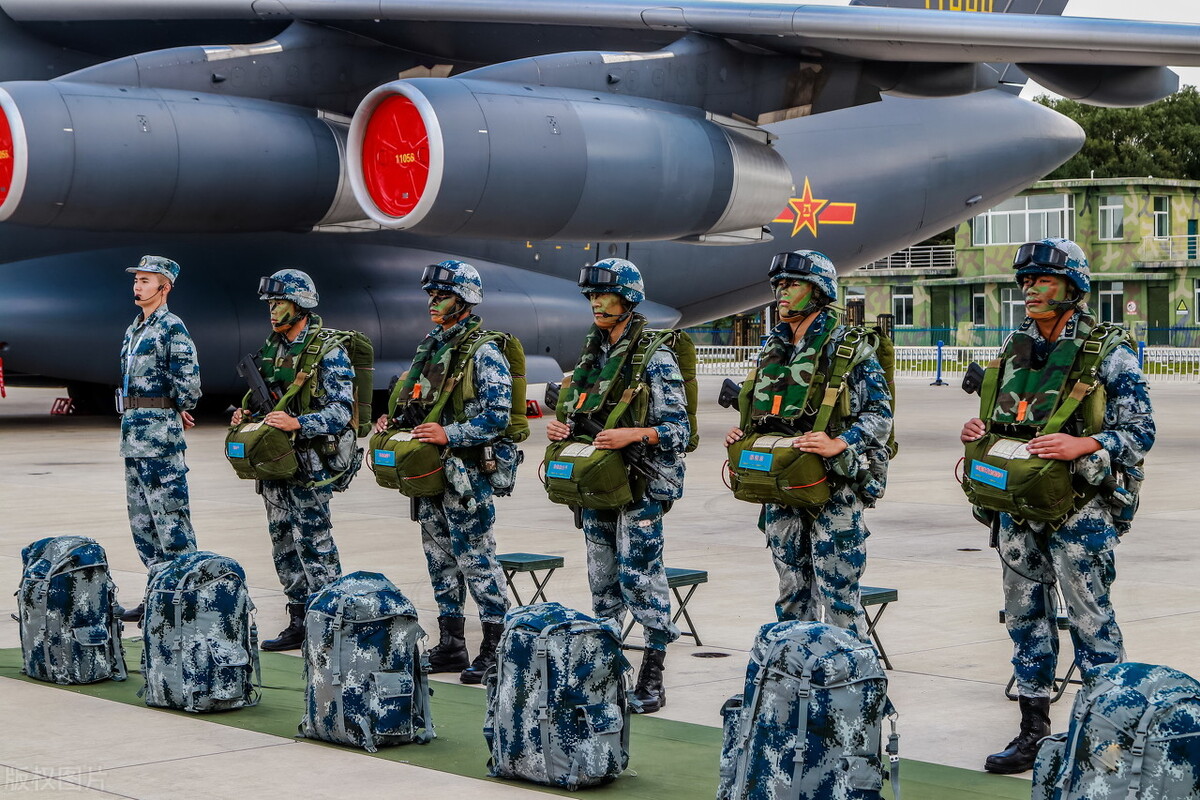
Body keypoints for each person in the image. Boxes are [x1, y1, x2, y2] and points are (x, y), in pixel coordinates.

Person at [960, 238, 1155, 774]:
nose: (1030, 290)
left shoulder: (1106, 350)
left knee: (1091, 620)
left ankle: (1106, 737)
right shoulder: (1014, 346)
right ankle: (1033, 731)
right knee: (1025, 618)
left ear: (1072, 287)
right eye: (1025, 281)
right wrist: (980, 430)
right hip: (1019, 505)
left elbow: (1140, 430)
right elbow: (1006, 417)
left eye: (1042, 280)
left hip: (1080, 509)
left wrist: (1085, 444)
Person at [546, 258, 689, 714]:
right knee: (602, 579)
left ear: (627, 300)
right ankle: (605, 667)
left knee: (641, 577)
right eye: (591, 296)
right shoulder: (591, 357)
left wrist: (634, 434)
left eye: (604, 295)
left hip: (641, 483)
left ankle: (653, 672)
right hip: (599, 483)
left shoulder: (655, 356)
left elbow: (678, 430)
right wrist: (562, 429)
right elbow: (577, 414)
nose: (596, 303)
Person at [724, 250, 892, 634]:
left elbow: (880, 416)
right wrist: (743, 435)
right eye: (778, 284)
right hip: (781, 485)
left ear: (818, 290)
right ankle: (796, 678)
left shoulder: (849, 346)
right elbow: (765, 411)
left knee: (838, 597)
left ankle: (851, 683)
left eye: (792, 283)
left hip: (832, 486)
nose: (781, 292)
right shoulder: (772, 347)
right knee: (791, 593)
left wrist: (842, 441)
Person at [374, 260, 516, 684]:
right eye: (431, 296)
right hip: (433, 475)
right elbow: (418, 403)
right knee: (439, 560)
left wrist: (449, 432)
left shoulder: (484, 352)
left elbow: (498, 417)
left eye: (442, 296)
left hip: (466, 477)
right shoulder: (432, 347)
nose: (433, 303)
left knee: (476, 559)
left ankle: (495, 643)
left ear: (465, 300)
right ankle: (452, 642)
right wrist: (394, 423)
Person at [231, 269, 352, 651]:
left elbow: (341, 412)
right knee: (283, 543)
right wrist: (245, 416)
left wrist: (299, 422)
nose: (272, 310)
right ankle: (298, 619)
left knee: (316, 544)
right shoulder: (273, 349)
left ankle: (332, 625)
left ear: (300, 305)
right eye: (269, 304)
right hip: (276, 465)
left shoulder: (327, 351)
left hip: (311, 467)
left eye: (278, 302)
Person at [118, 255, 201, 623]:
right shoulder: (135, 328)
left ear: (164, 287)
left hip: (160, 442)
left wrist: (173, 408)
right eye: (137, 280)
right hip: (134, 437)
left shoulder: (173, 329)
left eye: (146, 281)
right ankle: (157, 595)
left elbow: (189, 385)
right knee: (143, 524)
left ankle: (188, 598)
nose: (138, 287)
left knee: (172, 523)